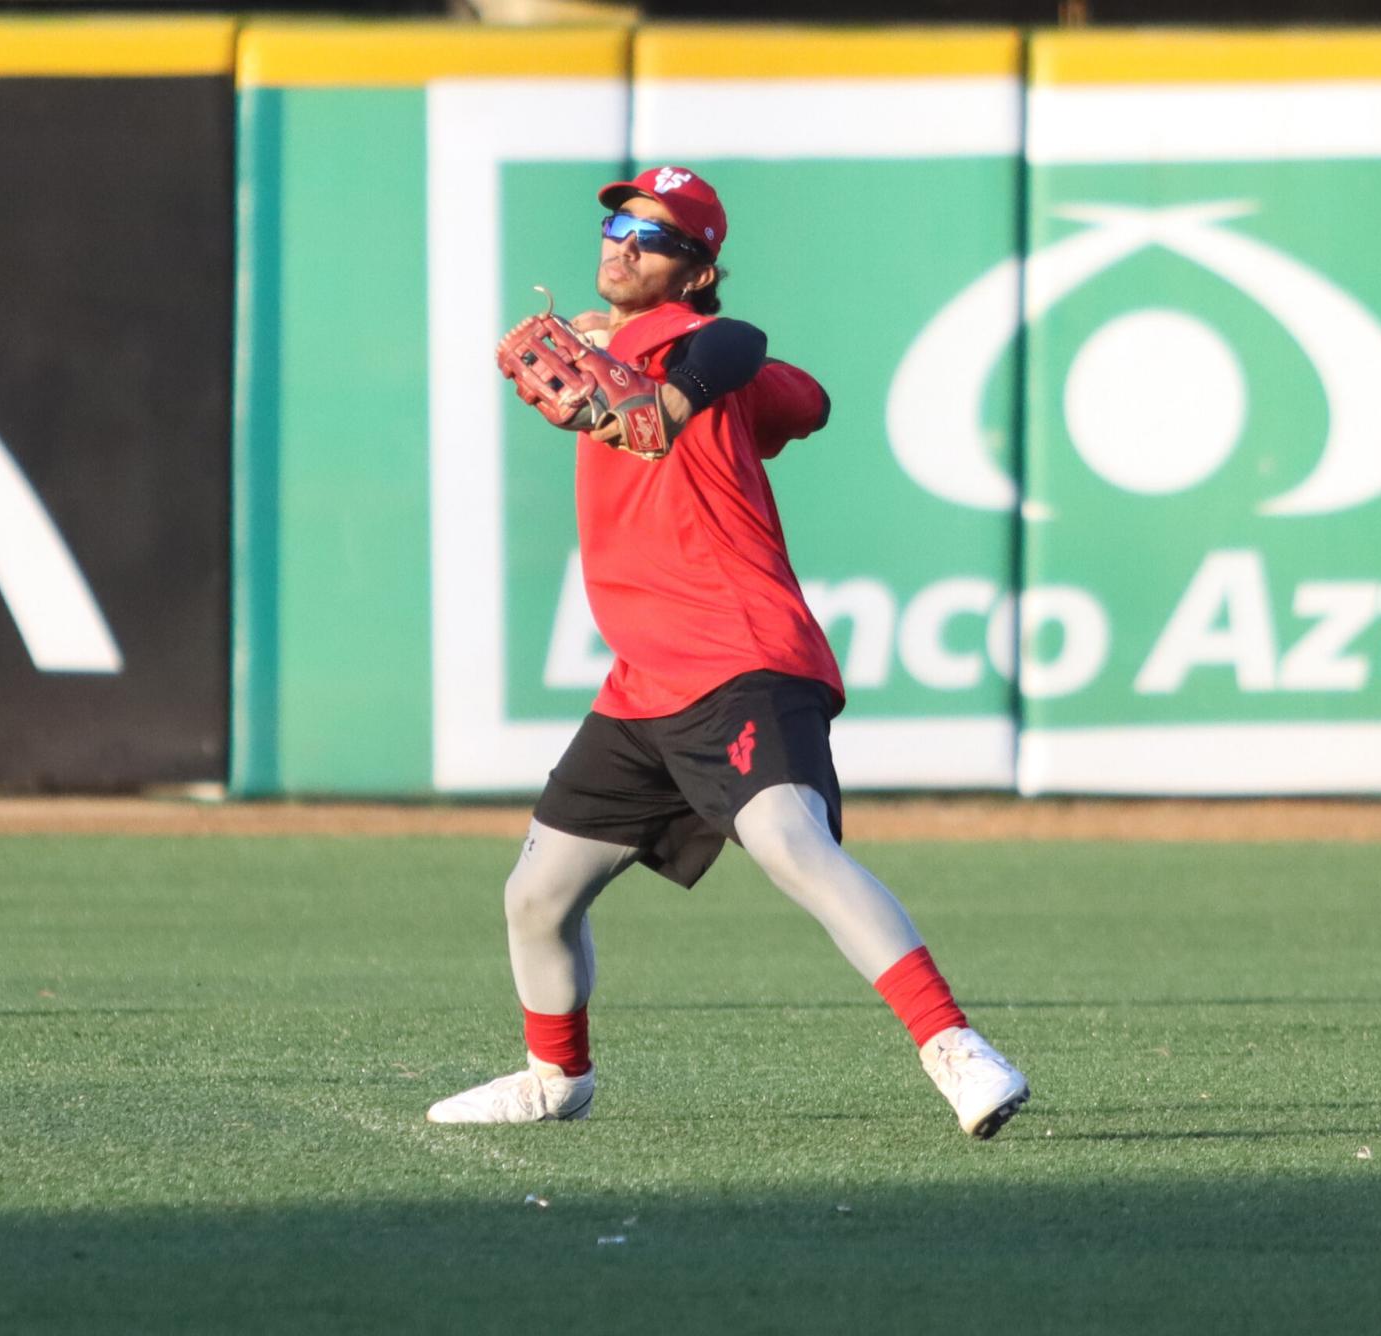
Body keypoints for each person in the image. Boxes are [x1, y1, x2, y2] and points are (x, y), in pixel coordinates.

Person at [427, 166, 1029, 1138]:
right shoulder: (639, 348)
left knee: (792, 843)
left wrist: (663, 387)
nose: (621, 241)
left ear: (698, 270)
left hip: (738, 649)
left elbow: (754, 354)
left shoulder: (689, 347)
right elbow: (803, 400)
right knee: (537, 894)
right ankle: (555, 1077)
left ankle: (952, 1046)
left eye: (651, 234)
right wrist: (618, 351)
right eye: (616, 222)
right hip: (643, 681)